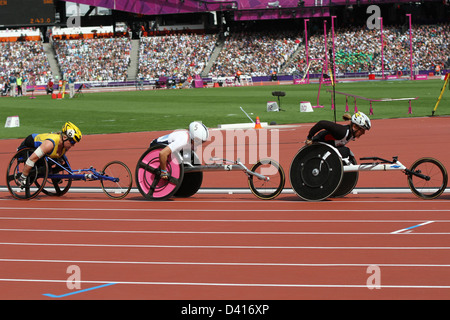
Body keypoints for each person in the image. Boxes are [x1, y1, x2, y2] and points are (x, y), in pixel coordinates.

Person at [17, 122, 82, 188]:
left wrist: (56, 171)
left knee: (54, 162)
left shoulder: (65, 146)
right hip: (28, 145)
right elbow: (31, 159)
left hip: (44, 148)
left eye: (75, 143)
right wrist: (23, 177)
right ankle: (23, 177)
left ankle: (50, 171)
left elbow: (59, 158)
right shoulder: (49, 144)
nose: (73, 145)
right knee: (43, 168)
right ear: (65, 137)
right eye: (72, 142)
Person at [305, 111, 371, 159]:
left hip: (327, 148)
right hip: (317, 146)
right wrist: (309, 137)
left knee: (345, 152)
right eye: (362, 130)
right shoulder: (342, 131)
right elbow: (322, 123)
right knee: (344, 151)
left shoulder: (351, 135)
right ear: (355, 127)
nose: (363, 133)